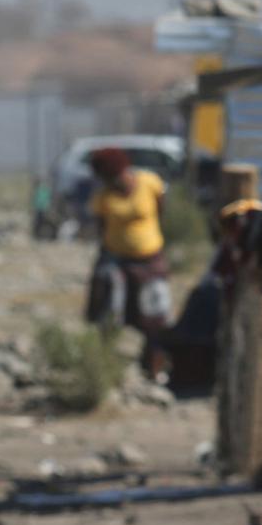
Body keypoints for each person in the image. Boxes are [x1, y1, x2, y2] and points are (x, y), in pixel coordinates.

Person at [83, 147, 173, 381]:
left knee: (154, 315)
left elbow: (161, 209)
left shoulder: (149, 183)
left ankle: (154, 366)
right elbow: (102, 228)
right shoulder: (103, 198)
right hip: (118, 260)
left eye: (114, 178)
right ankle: (106, 367)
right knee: (110, 311)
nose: (113, 183)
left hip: (150, 260)